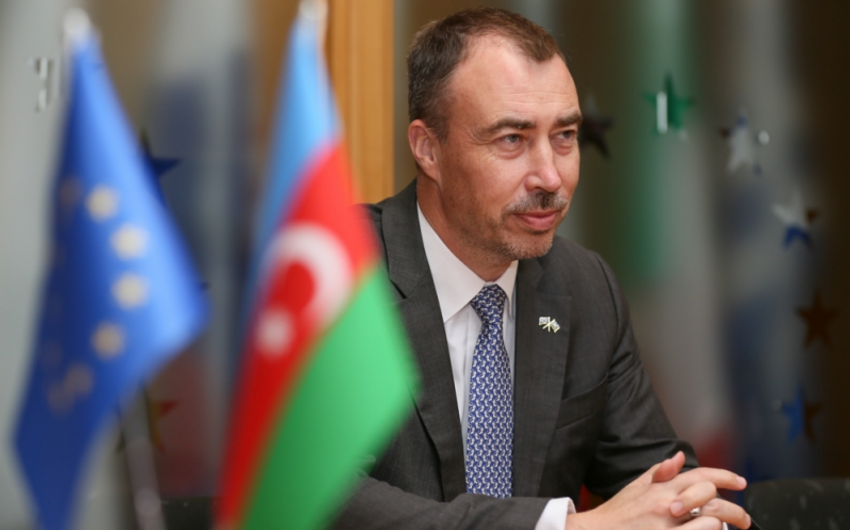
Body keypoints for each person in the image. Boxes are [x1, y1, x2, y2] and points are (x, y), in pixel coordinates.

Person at [332, 8, 753, 530]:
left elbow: (658, 482)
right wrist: (566, 528)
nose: (551, 177)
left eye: (565, 135)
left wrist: (692, 513)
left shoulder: (585, 287)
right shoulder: (341, 273)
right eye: (512, 139)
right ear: (428, 150)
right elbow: (319, 495)